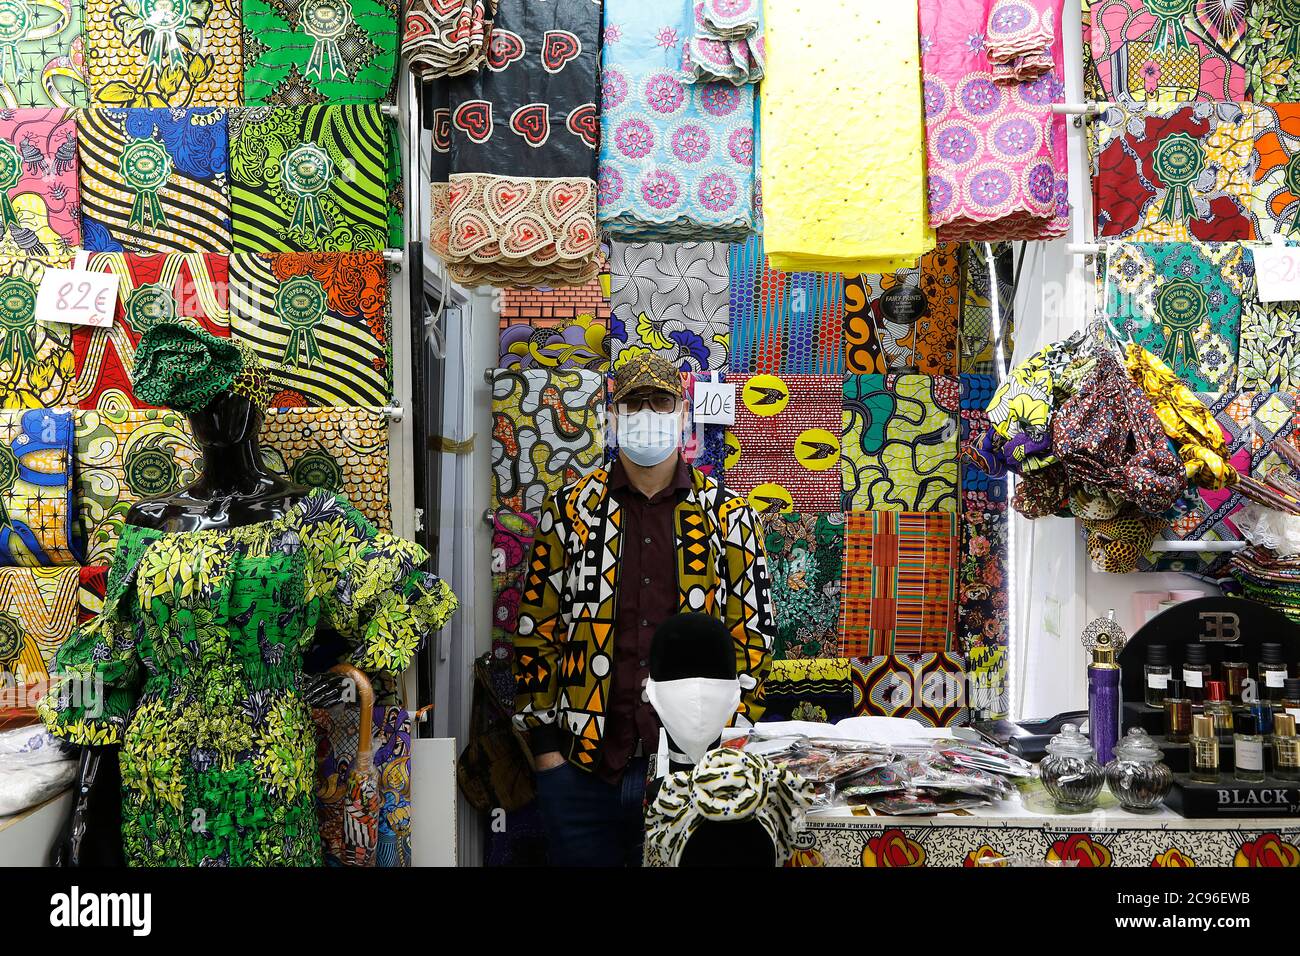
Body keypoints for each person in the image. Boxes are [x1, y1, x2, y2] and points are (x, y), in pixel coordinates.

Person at [512, 352, 776, 866]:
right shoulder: (570, 511)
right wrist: (546, 752)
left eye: (661, 401)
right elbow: (535, 629)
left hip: (695, 772)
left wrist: (730, 740)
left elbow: (755, 636)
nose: (647, 412)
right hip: (582, 769)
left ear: (682, 414)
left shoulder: (729, 515)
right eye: (634, 402)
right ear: (614, 415)